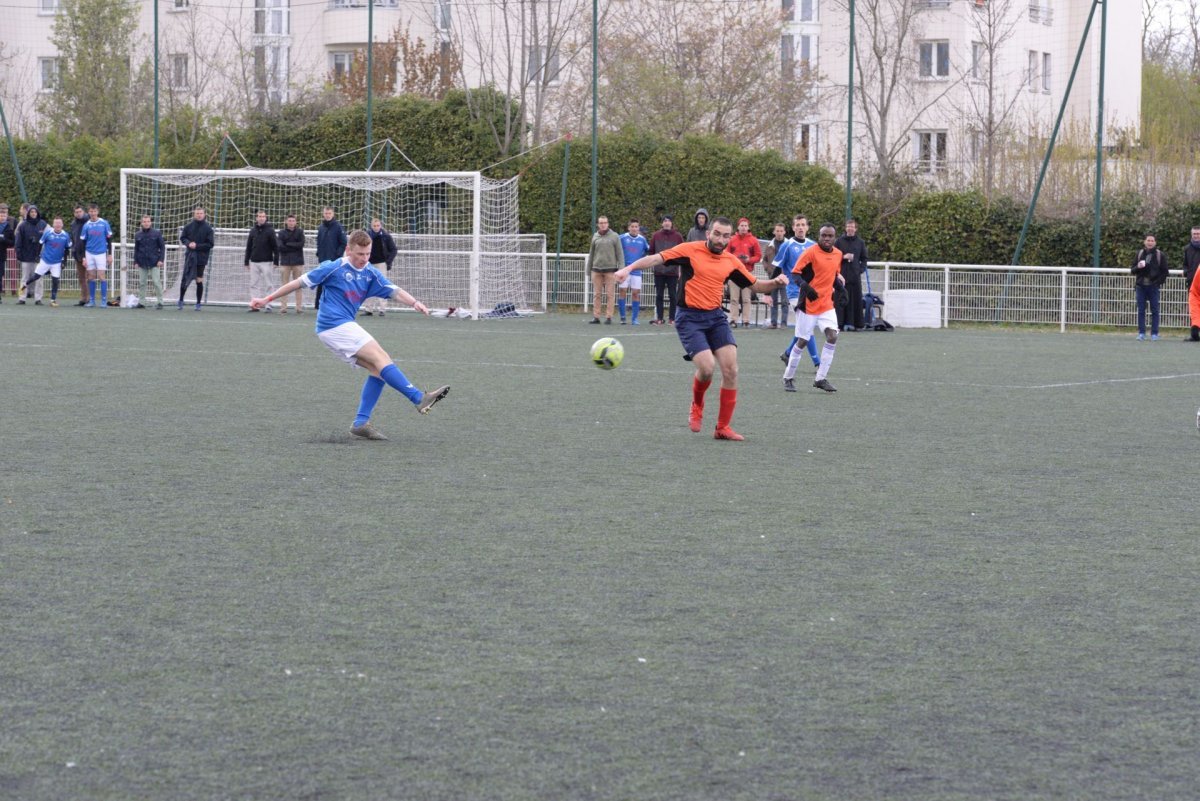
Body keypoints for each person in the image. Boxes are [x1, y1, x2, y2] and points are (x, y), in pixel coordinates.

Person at [249, 229, 450, 441]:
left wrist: (415, 302)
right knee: (381, 359)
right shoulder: (334, 267)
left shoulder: (370, 273)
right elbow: (298, 282)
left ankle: (361, 423)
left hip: (342, 327)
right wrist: (266, 299)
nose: (364, 259)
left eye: (367, 254)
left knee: (379, 368)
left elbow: (394, 290)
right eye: (359, 254)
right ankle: (419, 398)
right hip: (333, 325)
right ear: (348, 250)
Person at [615, 216, 790, 441]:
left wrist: (776, 283)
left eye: (726, 236)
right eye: (717, 234)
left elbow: (754, 284)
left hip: (716, 317)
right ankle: (697, 405)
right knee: (707, 368)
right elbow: (656, 258)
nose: (721, 239)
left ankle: (722, 428)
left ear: (730, 237)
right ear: (709, 233)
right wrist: (628, 269)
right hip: (689, 317)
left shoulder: (730, 261)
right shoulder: (690, 250)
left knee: (731, 370)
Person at [782, 223, 846, 393]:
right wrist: (806, 287)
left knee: (832, 336)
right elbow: (795, 274)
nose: (826, 238)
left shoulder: (838, 254)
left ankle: (820, 378)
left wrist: (841, 289)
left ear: (834, 238)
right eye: (823, 235)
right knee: (802, 341)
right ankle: (788, 377)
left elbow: (832, 275)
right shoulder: (810, 252)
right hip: (808, 305)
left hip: (826, 304)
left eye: (830, 236)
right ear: (819, 236)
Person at [772, 215, 820, 368]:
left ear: (807, 227)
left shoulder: (813, 245)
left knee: (805, 327)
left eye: (803, 224)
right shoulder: (787, 245)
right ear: (793, 228)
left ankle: (787, 353)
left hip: (810, 291)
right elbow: (778, 268)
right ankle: (817, 362)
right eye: (797, 225)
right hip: (793, 291)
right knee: (806, 327)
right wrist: (767, 291)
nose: (800, 227)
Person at [18, 215, 72, 307]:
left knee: (55, 281)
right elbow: (40, 244)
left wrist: (64, 262)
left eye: (59, 223)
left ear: (62, 224)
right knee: (35, 277)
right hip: (45, 261)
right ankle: (23, 287)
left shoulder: (66, 235)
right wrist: (37, 256)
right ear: (53, 224)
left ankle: (53, 300)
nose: (57, 225)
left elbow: (67, 249)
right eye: (56, 223)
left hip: (57, 262)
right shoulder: (48, 233)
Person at [1131, 234, 1168, 341]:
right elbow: (1132, 270)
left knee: (1155, 310)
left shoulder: (1160, 255)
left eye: (1152, 240)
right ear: (1144, 242)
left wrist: (1157, 283)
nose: (1150, 242)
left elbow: (1165, 272)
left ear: (1155, 242)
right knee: (1141, 310)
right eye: (1148, 240)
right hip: (1140, 286)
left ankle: (1154, 333)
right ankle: (1141, 333)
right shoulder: (1139, 254)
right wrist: (1138, 266)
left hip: (1153, 287)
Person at [726, 218, 762, 328]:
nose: (744, 228)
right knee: (734, 298)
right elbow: (726, 254)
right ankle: (733, 320)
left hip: (747, 273)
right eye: (742, 225)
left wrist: (749, 260)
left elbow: (758, 255)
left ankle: (746, 321)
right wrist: (734, 258)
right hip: (734, 273)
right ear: (738, 227)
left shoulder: (753, 240)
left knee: (747, 299)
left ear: (748, 227)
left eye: (745, 226)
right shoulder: (732, 239)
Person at [834, 218, 869, 331]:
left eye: (852, 227)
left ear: (855, 229)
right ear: (845, 228)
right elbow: (833, 256)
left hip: (855, 276)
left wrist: (860, 269)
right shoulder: (839, 241)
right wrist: (843, 257)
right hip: (841, 276)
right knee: (840, 299)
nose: (850, 229)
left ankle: (856, 324)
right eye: (848, 227)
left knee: (855, 300)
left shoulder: (860, 242)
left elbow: (864, 259)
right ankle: (839, 323)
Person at [648, 215, 684, 325]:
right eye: (665, 221)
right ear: (662, 223)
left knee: (673, 296)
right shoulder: (656, 236)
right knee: (659, 295)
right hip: (659, 271)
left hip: (672, 272)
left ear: (672, 223)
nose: (667, 223)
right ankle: (659, 318)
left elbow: (682, 253)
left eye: (669, 221)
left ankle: (672, 318)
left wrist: (677, 267)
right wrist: (656, 264)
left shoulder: (678, 237)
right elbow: (651, 252)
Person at [587, 215, 622, 324]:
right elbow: (591, 253)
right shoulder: (595, 236)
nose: (603, 225)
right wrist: (588, 270)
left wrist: (621, 270)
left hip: (610, 270)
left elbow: (620, 254)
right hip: (596, 270)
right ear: (598, 224)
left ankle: (608, 317)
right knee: (597, 294)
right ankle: (596, 317)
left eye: (605, 222)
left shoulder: (615, 236)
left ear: (608, 224)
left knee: (610, 295)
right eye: (601, 223)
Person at [179, 205, 214, 310]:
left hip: (201, 258)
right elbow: (183, 238)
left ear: (204, 215)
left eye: (201, 213)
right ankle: (181, 300)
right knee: (185, 277)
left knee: (199, 280)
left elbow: (210, 244)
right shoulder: (188, 226)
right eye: (197, 213)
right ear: (194, 214)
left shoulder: (208, 229)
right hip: (190, 256)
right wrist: (189, 244)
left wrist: (197, 246)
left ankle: (198, 303)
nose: (199, 215)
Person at [244, 209, 279, 312]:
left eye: (263, 216)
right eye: (259, 216)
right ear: (256, 218)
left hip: (267, 262)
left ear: (266, 217)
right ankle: (255, 305)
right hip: (254, 262)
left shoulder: (270, 230)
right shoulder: (253, 230)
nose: (261, 218)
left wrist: (276, 261)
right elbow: (249, 247)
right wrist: (246, 261)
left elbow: (275, 247)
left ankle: (269, 305)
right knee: (254, 284)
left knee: (269, 284)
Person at [79, 204, 114, 307]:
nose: (93, 213)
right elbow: (82, 242)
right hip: (89, 253)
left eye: (94, 211)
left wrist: (110, 254)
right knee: (90, 277)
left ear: (97, 212)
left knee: (101, 276)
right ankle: (92, 301)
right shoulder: (86, 225)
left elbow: (109, 239)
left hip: (101, 253)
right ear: (88, 212)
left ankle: (103, 301)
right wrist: (84, 257)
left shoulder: (104, 223)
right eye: (91, 211)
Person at [314, 206, 347, 311]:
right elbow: (319, 242)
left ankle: (336, 304)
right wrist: (319, 254)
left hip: (334, 261)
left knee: (335, 282)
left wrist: (337, 256)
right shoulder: (321, 227)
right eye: (326, 213)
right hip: (323, 260)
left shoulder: (338, 227)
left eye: (329, 213)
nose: (327, 215)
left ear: (333, 214)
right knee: (321, 281)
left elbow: (343, 243)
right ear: (323, 214)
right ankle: (319, 304)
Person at [618, 218, 649, 325]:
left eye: (636, 227)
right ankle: (622, 317)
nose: (634, 229)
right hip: (624, 270)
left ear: (638, 228)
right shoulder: (622, 238)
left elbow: (647, 251)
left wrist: (641, 261)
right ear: (629, 228)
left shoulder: (642, 239)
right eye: (632, 227)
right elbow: (616, 248)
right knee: (622, 292)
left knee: (636, 294)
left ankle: (634, 319)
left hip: (636, 271)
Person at [364, 218, 397, 317]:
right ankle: (368, 309)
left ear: (380, 226)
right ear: (371, 226)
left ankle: (382, 309)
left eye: (378, 225)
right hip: (369, 264)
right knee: (368, 285)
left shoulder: (386, 236)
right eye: (374, 226)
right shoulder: (367, 236)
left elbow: (394, 250)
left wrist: (388, 262)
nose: (376, 227)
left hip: (381, 264)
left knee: (382, 285)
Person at [14, 205, 47, 305]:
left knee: (39, 278)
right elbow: (18, 241)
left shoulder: (43, 224)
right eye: (31, 212)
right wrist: (19, 254)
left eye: (35, 212)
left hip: (39, 257)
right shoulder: (23, 225)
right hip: (26, 256)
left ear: (37, 213)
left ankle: (38, 298)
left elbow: (49, 237)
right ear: (28, 213)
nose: (33, 214)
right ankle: (22, 297)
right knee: (24, 278)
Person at [132, 214, 166, 309]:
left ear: (151, 222)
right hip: (142, 262)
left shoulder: (157, 233)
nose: (146, 223)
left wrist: (161, 260)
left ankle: (160, 302)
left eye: (148, 221)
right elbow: (136, 249)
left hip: (154, 262)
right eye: (144, 221)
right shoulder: (138, 235)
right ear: (141, 223)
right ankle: (141, 302)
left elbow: (162, 247)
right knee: (142, 282)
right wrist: (135, 261)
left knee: (156, 282)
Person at [761, 223, 790, 329]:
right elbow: (765, 259)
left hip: (784, 277)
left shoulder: (789, 244)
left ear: (784, 232)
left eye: (781, 231)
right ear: (774, 232)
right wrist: (768, 269)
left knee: (784, 301)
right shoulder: (770, 245)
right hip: (772, 277)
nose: (779, 233)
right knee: (772, 300)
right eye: (777, 231)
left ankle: (783, 323)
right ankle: (773, 322)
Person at [276, 214, 306, 314]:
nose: (291, 222)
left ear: (296, 222)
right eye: (289, 220)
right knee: (284, 286)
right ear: (286, 221)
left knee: (299, 285)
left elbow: (301, 245)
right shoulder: (281, 233)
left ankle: (299, 308)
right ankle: (283, 308)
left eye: (293, 220)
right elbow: (280, 246)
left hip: (298, 262)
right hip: (285, 262)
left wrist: (288, 244)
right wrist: (293, 246)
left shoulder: (300, 232)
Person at [67, 206, 88, 305]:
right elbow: (72, 237)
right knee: (81, 277)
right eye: (76, 212)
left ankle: (91, 298)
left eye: (80, 211)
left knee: (90, 276)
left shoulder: (89, 222)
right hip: (77, 254)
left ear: (83, 212)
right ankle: (84, 298)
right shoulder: (73, 224)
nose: (78, 213)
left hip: (88, 254)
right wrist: (73, 248)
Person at [0, 204, 14, 304]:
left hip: (1, 255)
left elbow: (12, 242)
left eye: (4, 216)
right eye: (0, 215)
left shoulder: (9, 229)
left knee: (0, 276)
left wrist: (3, 239)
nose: (2, 217)